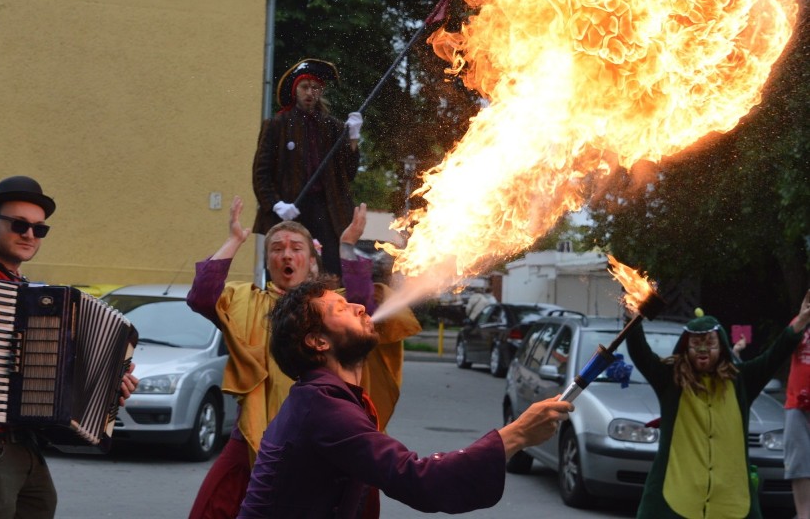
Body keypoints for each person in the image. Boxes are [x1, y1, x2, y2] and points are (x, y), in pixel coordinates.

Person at [239, 279, 573, 517]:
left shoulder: (322, 398)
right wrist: (516, 434)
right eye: (340, 308)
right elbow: (419, 480)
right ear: (318, 342)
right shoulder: (323, 408)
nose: (358, 306)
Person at [186, 197, 419, 519]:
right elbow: (201, 297)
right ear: (268, 261)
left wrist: (348, 246)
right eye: (276, 248)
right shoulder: (245, 302)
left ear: (312, 260)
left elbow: (365, 305)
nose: (286, 254)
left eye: (296, 247)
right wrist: (235, 239)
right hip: (255, 435)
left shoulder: (336, 306)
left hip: (332, 434)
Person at [0, 176, 138, 518]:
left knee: (41, 507)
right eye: (19, 225)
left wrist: (111, 384)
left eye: (39, 229)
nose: (29, 235)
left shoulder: (23, 289)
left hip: (24, 442)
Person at [626, 296, 810, 519]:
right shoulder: (670, 380)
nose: (703, 350)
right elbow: (640, 352)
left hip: (731, 501)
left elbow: (775, 355)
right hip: (677, 496)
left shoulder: (741, 380)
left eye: (710, 343)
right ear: (686, 346)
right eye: (696, 344)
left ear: (721, 346)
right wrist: (632, 316)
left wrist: (801, 320)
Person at [252, 58, 363, 277]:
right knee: (289, 271)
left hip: (325, 212)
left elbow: (348, 174)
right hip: (289, 211)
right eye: (305, 87)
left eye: (315, 88)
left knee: (329, 272)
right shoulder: (277, 125)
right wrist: (276, 205)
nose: (310, 92)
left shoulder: (332, 127)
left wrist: (353, 139)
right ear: (296, 90)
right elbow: (260, 173)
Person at [784, 290, 810, 519]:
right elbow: (783, 346)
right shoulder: (800, 324)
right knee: (799, 464)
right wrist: (802, 318)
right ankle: (804, 515)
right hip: (797, 405)